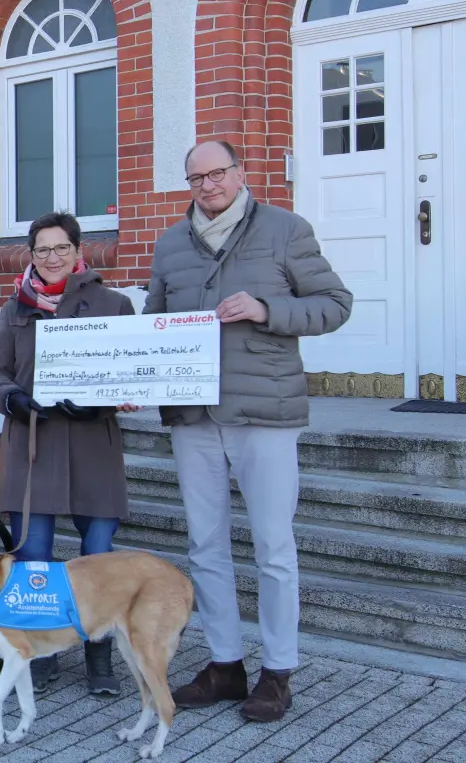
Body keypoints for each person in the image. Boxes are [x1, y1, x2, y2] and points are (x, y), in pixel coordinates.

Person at [146, 140, 352, 722]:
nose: (208, 185)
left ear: (239, 173)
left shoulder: (285, 229)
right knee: (205, 545)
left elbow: (335, 304)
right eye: (196, 178)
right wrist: (138, 374)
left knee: (273, 547)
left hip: (265, 412)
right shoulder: (169, 243)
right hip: (193, 415)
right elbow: (155, 325)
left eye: (218, 173)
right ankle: (225, 664)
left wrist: (267, 309)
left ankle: (278, 671)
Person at [0, 211, 140, 696]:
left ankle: (98, 650)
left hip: (92, 446)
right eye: (42, 250)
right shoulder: (15, 309)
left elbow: (131, 369)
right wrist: (12, 399)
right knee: (34, 557)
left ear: (78, 251)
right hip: (34, 444)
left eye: (61, 248)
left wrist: (102, 402)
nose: (52, 258)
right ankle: (43, 647)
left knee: (98, 555)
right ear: (30, 254)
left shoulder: (113, 304)